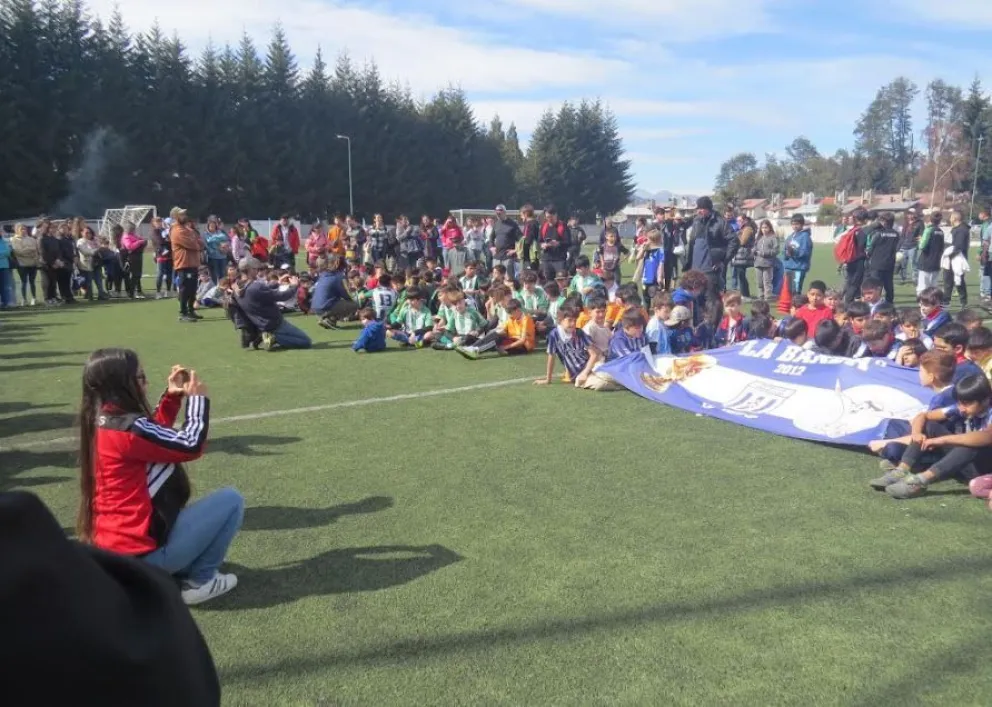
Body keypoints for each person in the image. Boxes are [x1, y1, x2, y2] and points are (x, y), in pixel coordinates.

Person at [76, 348, 243, 605]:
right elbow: (190, 445)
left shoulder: (103, 420)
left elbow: (151, 437)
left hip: (114, 559)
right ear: (124, 384)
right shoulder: (128, 428)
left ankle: (174, 566)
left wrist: (172, 399)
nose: (146, 382)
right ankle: (202, 581)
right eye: (141, 377)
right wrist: (197, 401)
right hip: (141, 562)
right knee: (231, 500)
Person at [875, 374, 992, 499]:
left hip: (982, 470)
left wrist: (941, 440)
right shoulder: (960, 408)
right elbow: (923, 416)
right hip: (965, 462)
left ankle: (920, 482)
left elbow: (987, 437)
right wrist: (916, 433)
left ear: (985, 400)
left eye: (967, 404)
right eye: (960, 403)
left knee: (970, 444)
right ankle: (901, 470)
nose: (962, 408)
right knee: (929, 426)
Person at [234, 257, 312, 350]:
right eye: (255, 269)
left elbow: (262, 291)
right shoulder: (256, 287)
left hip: (261, 324)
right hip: (275, 323)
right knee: (306, 342)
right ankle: (274, 338)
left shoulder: (236, 288)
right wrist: (294, 285)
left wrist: (278, 282)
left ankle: (266, 336)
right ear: (249, 269)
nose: (257, 271)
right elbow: (282, 296)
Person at [534, 304, 602, 386]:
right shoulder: (554, 335)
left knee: (606, 375)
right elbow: (551, 357)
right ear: (560, 320)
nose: (573, 324)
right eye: (569, 320)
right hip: (577, 376)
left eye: (574, 320)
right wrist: (548, 380)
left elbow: (594, 355)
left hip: (591, 368)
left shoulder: (579, 332)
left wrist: (585, 372)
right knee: (601, 383)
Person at [685, 196, 731, 300]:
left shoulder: (720, 222)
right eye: (698, 208)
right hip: (695, 270)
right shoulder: (696, 221)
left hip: (710, 270)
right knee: (696, 301)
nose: (699, 211)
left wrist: (723, 260)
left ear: (708, 209)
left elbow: (734, 241)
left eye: (701, 208)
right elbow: (693, 242)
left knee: (711, 301)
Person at [456, 299, 535, 359]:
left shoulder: (526, 319)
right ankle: (472, 347)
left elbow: (522, 341)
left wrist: (506, 347)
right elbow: (501, 331)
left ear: (517, 310)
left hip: (523, 346)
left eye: (511, 313)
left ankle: (476, 350)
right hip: (512, 341)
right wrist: (495, 333)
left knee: (497, 341)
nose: (510, 315)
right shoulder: (512, 318)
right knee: (497, 335)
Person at [170, 207, 204, 323]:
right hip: (184, 263)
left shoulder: (187, 229)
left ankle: (191, 310)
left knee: (193, 288)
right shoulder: (177, 230)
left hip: (193, 263)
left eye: (185, 214)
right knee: (185, 288)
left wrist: (197, 242)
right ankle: (183, 312)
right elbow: (193, 244)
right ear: (176, 217)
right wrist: (197, 243)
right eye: (182, 215)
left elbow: (199, 241)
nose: (185, 216)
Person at [311, 256, 359, 330]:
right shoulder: (338, 276)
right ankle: (330, 319)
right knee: (354, 305)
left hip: (314, 306)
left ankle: (328, 319)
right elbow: (345, 294)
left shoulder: (324, 274)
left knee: (338, 302)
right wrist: (354, 298)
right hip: (325, 306)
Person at [866, 211, 899, 303]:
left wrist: (868, 255)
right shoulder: (896, 234)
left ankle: (875, 303)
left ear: (884, 222)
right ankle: (889, 304)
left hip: (877, 264)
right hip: (889, 263)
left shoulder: (878, 233)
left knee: (875, 285)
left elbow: (870, 248)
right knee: (889, 285)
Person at [842, 208, 872, 305]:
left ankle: (849, 300)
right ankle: (847, 304)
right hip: (858, 260)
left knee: (850, 282)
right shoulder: (863, 231)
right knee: (855, 284)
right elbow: (861, 246)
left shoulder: (853, 230)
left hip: (850, 259)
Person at [942, 208, 969, 308]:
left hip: (956, 259)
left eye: (951, 217)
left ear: (955, 218)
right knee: (948, 280)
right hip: (951, 258)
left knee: (958, 280)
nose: (950, 219)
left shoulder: (962, 230)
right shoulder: (956, 229)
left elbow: (959, 245)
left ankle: (963, 301)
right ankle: (946, 300)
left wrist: (949, 253)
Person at [782, 214, 813, 294]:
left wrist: (793, 252)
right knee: (788, 290)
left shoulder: (805, 237)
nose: (795, 226)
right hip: (789, 267)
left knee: (796, 289)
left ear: (802, 224)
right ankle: (792, 305)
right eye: (793, 224)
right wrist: (787, 253)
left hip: (799, 267)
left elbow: (805, 252)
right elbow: (784, 250)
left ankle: (797, 305)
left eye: (797, 224)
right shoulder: (790, 236)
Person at [537, 205, 570, 282]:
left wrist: (558, 243)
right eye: (547, 217)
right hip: (546, 259)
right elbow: (539, 241)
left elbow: (568, 242)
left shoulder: (563, 226)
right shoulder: (543, 226)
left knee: (561, 281)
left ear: (556, 215)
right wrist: (542, 245)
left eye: (551, 217)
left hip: (559, 259)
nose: (549, 219)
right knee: (548, 280)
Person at [11, 222, 40, 306]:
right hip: (22, 264)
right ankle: (24, 299)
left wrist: (27, 250)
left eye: (25, 229)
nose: (24, 230)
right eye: (21, 229)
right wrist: (29, 250)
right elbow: (18, 251)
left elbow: (35, 250)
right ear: (17, 230)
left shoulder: (31, 239)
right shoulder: (14, 239)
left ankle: (34, 298)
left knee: (32, 282)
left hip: (32, 263)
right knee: (23, 282)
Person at [916, 211, 944, 295]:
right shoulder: (941, 232)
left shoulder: (928, 230)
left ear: (930, 219)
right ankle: (933, 305)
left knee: (923, 287)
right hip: (936, 262)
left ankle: (922, 305)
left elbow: (922, 246)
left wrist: (920, 240)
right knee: (933, 287)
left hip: (926, 262)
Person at [636, 230, 665, 309]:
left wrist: (659, 277)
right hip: (646, 278)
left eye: (648, 239)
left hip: (654, 278)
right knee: (646, 299)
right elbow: (638, 257)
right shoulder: (647, 249)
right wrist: (643, 249)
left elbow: (661, 264)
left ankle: (658, 314)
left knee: (657, 299)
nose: (647, 241)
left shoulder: (660, 250)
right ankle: (646, 315)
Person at [752, 219, 779, 302]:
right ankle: (760, 296)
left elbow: (776, 251)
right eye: (762, 228)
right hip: (758, 263)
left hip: (768, 264)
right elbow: (755, 248)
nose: (764, 229)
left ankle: (768, 297)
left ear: (770, 228)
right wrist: (753, 250)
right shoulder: (759, 238)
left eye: (766, 227)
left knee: (767, 281)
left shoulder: (773, 238)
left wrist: (764, 253)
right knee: (759, 282)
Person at [729, 215, 754, 298]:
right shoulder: (741, 230)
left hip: (744, 255)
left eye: (740, 221)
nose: (738, 223)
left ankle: (745, 294)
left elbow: (743, 241)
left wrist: (736, 237)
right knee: (740, 275)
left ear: (745, 221)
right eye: (737, 221)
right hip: (739, 255)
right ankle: (744, 293)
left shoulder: (748, 229)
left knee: (742, 275)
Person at [897, 208, 923, 286]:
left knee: (914, 264)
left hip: (913, 246)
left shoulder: (919, 223)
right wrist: (898, 247)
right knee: (903, 264)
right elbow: (902, 236)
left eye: (912, 213)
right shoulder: (905, 223)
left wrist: (919, 240)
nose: (910, 215)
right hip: (904, 246)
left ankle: (915, 280)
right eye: (909, 214)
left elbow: (922, 234)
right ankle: (903, 279)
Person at [204, 217, 230, 284]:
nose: (212, 227)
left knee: (223, 274)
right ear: (208, 226)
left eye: (214, 225)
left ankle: (223, 288)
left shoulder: (220, 232)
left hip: (222, 256)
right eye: (211, 226)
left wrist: (214, 239)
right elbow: (207, 242)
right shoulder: (205, 234)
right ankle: (215, 288)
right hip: (212, 257)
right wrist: (217, 239)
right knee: (214, 275)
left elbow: (225, 238)